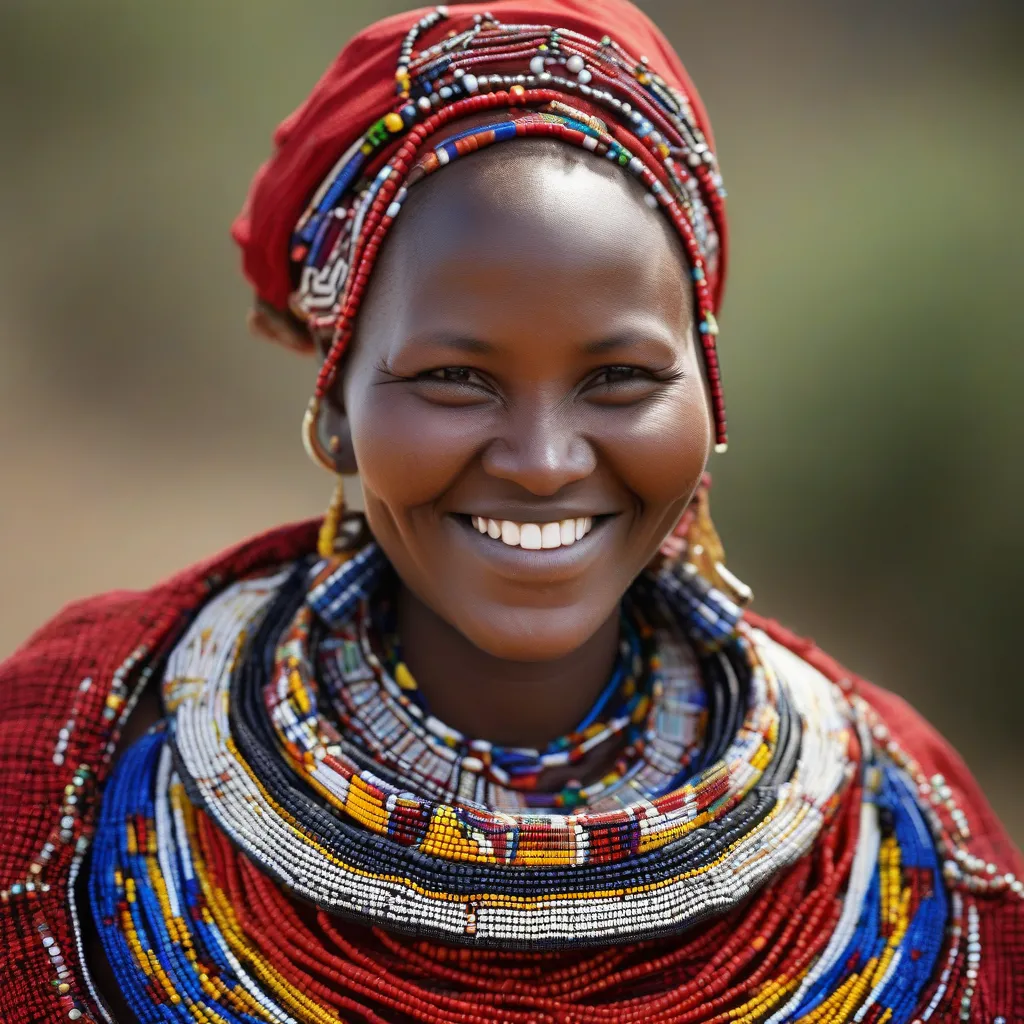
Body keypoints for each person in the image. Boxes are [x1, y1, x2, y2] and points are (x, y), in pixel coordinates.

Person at [1, 1, 1021, 1021]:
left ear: (708, 395)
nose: (541, 462)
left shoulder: (904, 831)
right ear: (336, 405)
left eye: (620, 376)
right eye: (454, 377)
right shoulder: (69, 775)